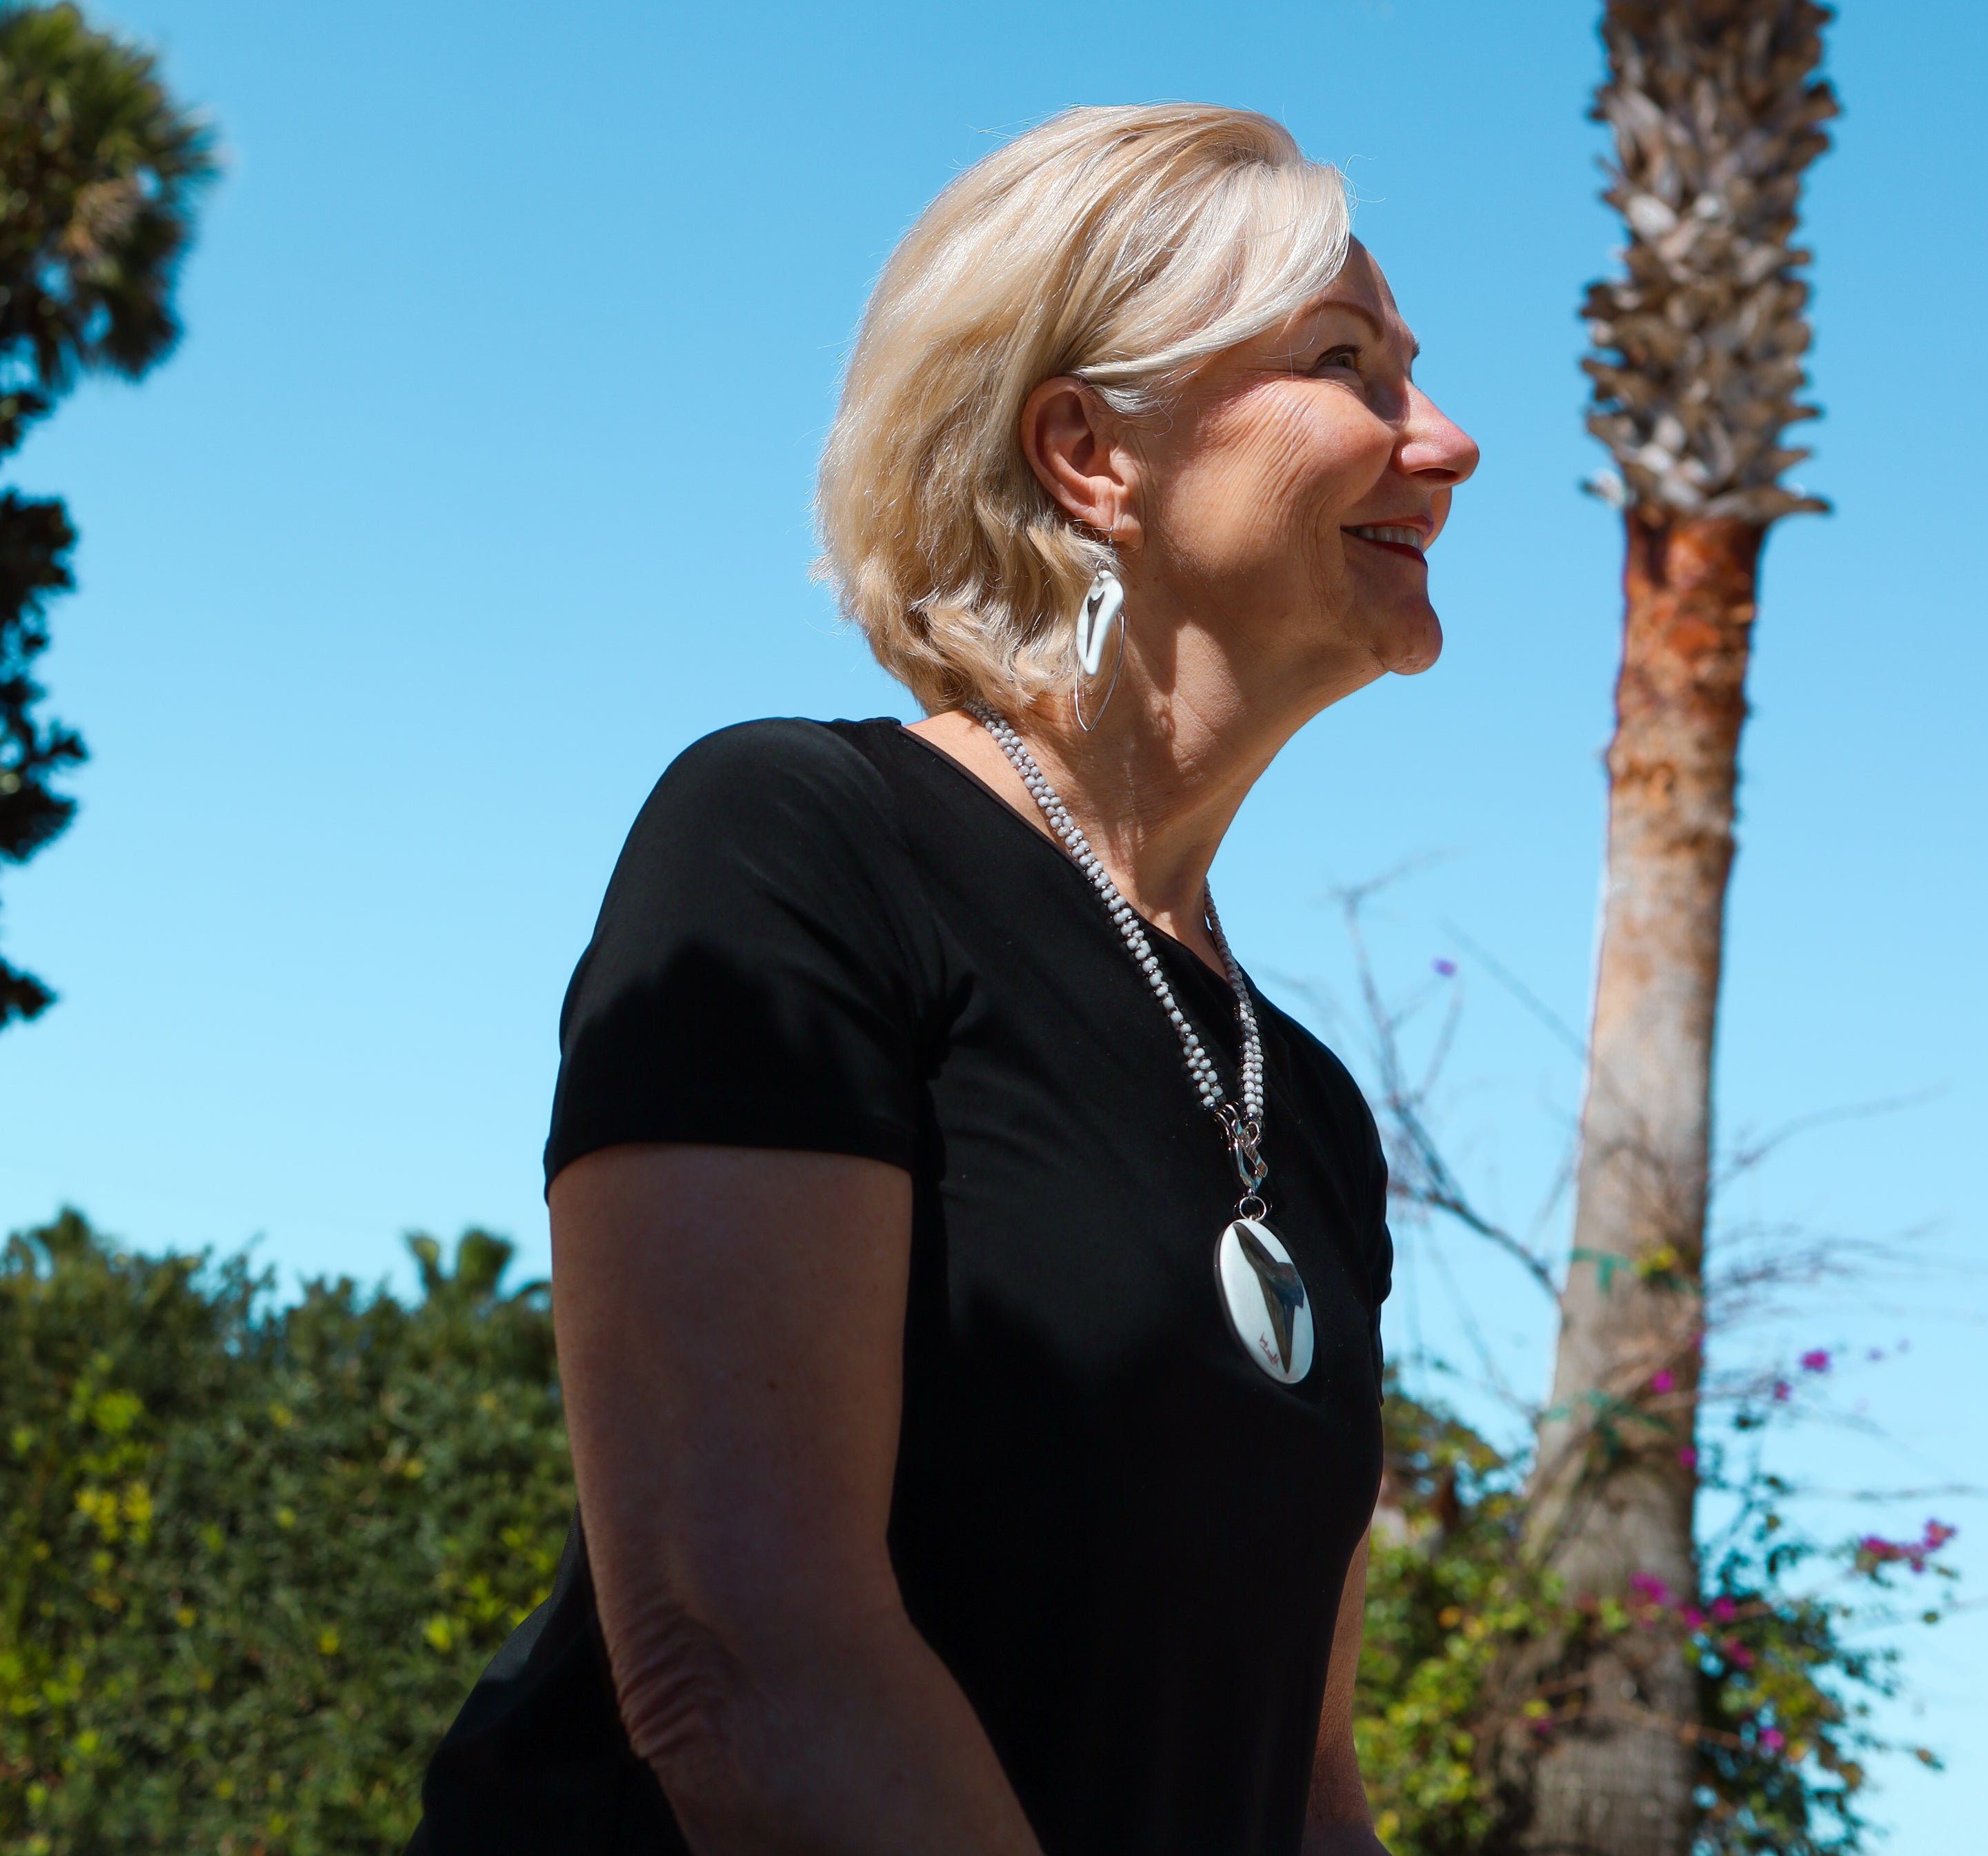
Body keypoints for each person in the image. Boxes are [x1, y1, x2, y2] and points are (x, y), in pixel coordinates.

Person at [411, 103, 1478, 1856]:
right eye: (1344, 363)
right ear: (1088, 452)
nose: (1442, 440)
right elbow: (739, 1668)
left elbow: (1301, 1780)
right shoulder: (795, 846)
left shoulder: (1310, 1109)